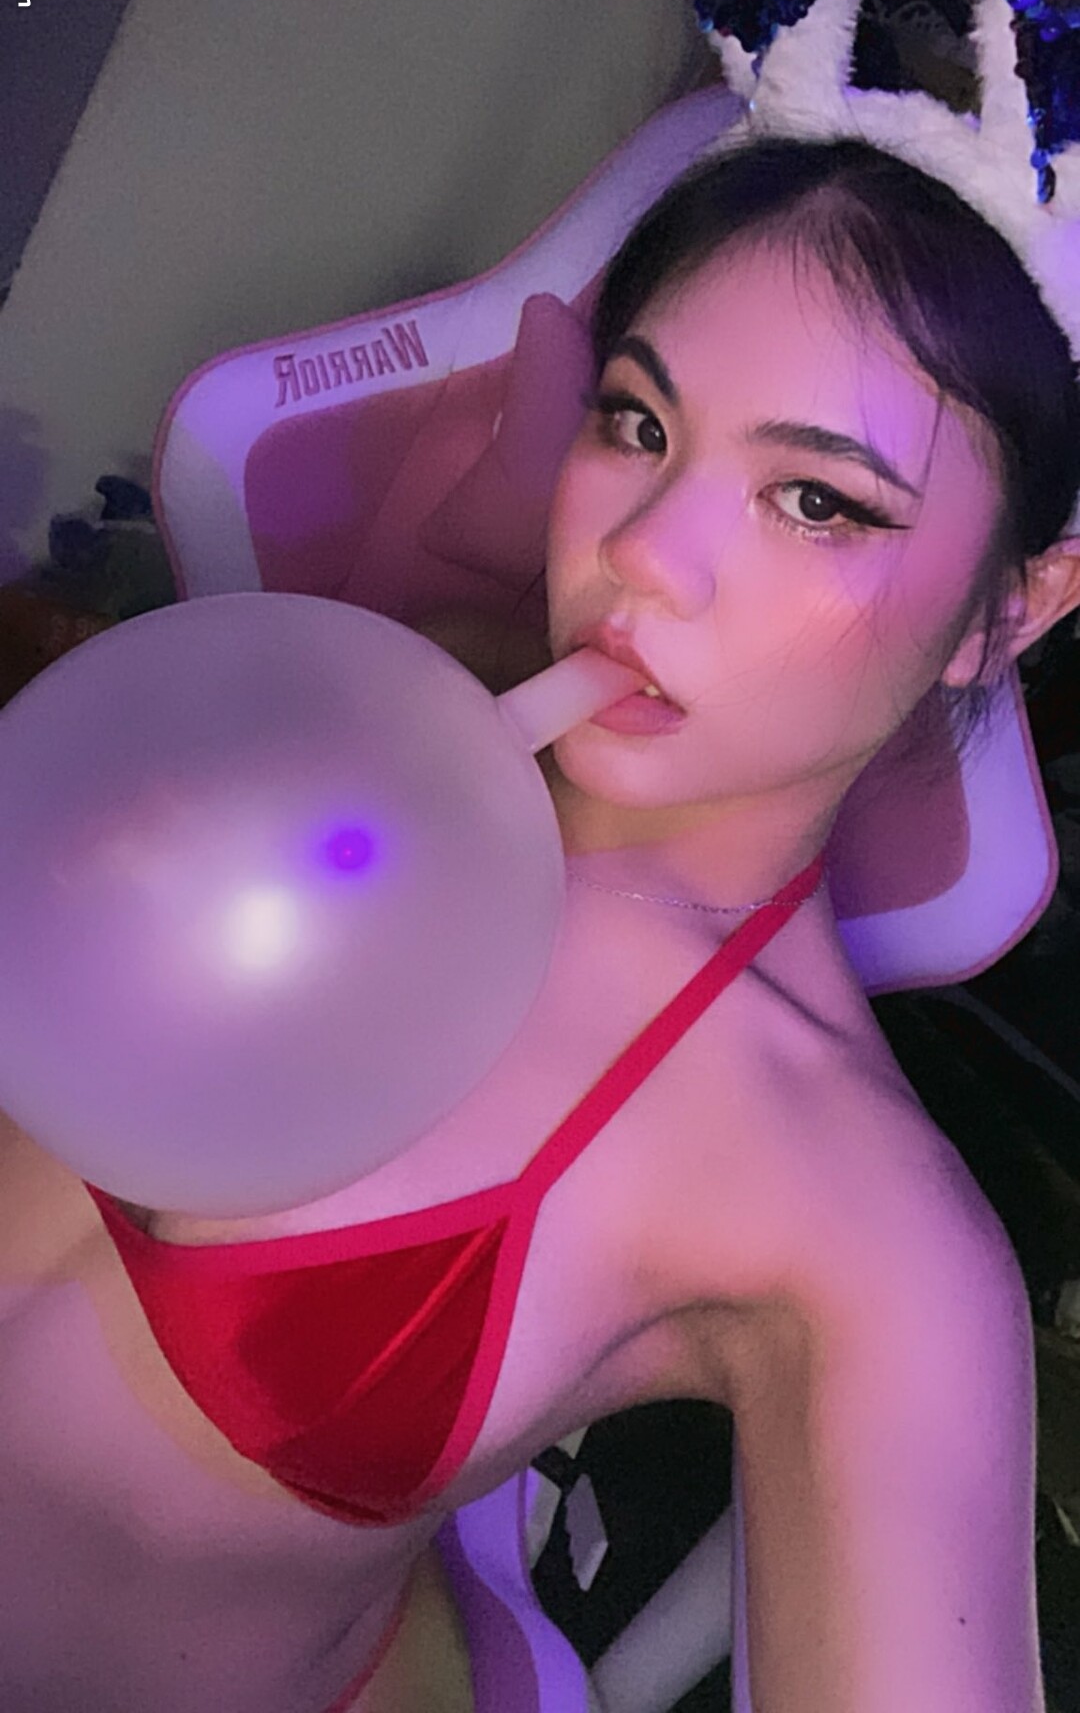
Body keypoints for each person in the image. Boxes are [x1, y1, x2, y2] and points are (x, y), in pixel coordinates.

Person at [3, 132, 1079, 1713]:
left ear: (1008, 610)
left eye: (815, 500)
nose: (643, 556)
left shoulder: (853, 1221)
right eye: (638, 422)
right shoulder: (416, 678)